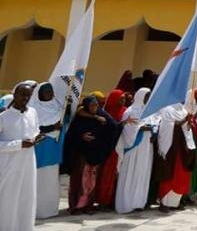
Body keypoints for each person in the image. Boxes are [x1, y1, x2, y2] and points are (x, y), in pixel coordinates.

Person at [63, 95, 119, 214]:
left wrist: (99, 118)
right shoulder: (79, 118)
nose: (94, 107)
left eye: (96, 105)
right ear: (86, 106)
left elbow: (113, 126)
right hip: (81, 154)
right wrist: (81, 136)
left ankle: (88, 205)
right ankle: (76, 206)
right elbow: (71, 136)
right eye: (92, 105)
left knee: (91, 182)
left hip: (95, 154)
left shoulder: (102, 116)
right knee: (79, 180)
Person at [0, 81, 40, 231]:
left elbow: (35, 130)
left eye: (28, 95)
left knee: (27, 196)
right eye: (22, 95)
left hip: (28, 163)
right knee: (8, 198)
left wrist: (36, 138)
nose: (25, 98)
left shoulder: (33, 113)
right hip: (9, 165)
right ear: (14, 94)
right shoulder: (4, 117)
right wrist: (19, 144)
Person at [155, 90, 197, 211]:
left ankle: (175, 202)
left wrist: (188, 124)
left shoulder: (184, 111)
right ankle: (164, 202)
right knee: (169, 174)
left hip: (182, 148)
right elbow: (167, 126)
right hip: (171, 147)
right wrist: (184, 121)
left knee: (180, 175)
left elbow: (186, 128)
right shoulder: (167, 110)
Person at [114, 87, 154, 213]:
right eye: (146, 96)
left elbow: (154, 124)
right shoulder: (130, 111)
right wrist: (141, 128)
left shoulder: (149, 111)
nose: (148, 99)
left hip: (146, 147)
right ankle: (126, 203)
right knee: (131, 174)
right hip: (133, 147)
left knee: (142, 174)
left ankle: (139, 203)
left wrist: (153, 130)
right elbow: (127, 130)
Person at [30, 81, 65, 219]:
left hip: (53, 149)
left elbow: (64, 123)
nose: (50, 94)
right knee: (37, 180)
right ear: (39, 94)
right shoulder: (33, 109)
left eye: (51, 91)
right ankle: (35, 211)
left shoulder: (58, 107)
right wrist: (52, 128)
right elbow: (34, 128)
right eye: (46, 92)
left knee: (50, 180)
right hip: (39, 149)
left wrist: (67, 110)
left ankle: (49, 210)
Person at [97, 88, 128, 209]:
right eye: (121, 98)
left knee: (116, 174)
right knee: (105, 174)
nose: (123, 101)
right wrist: (122, 124)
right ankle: (103, 200)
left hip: (120, 147)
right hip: (107, 148)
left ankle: (113, 200)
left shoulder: (125, 111)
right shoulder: (106, 112)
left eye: (124, 98)